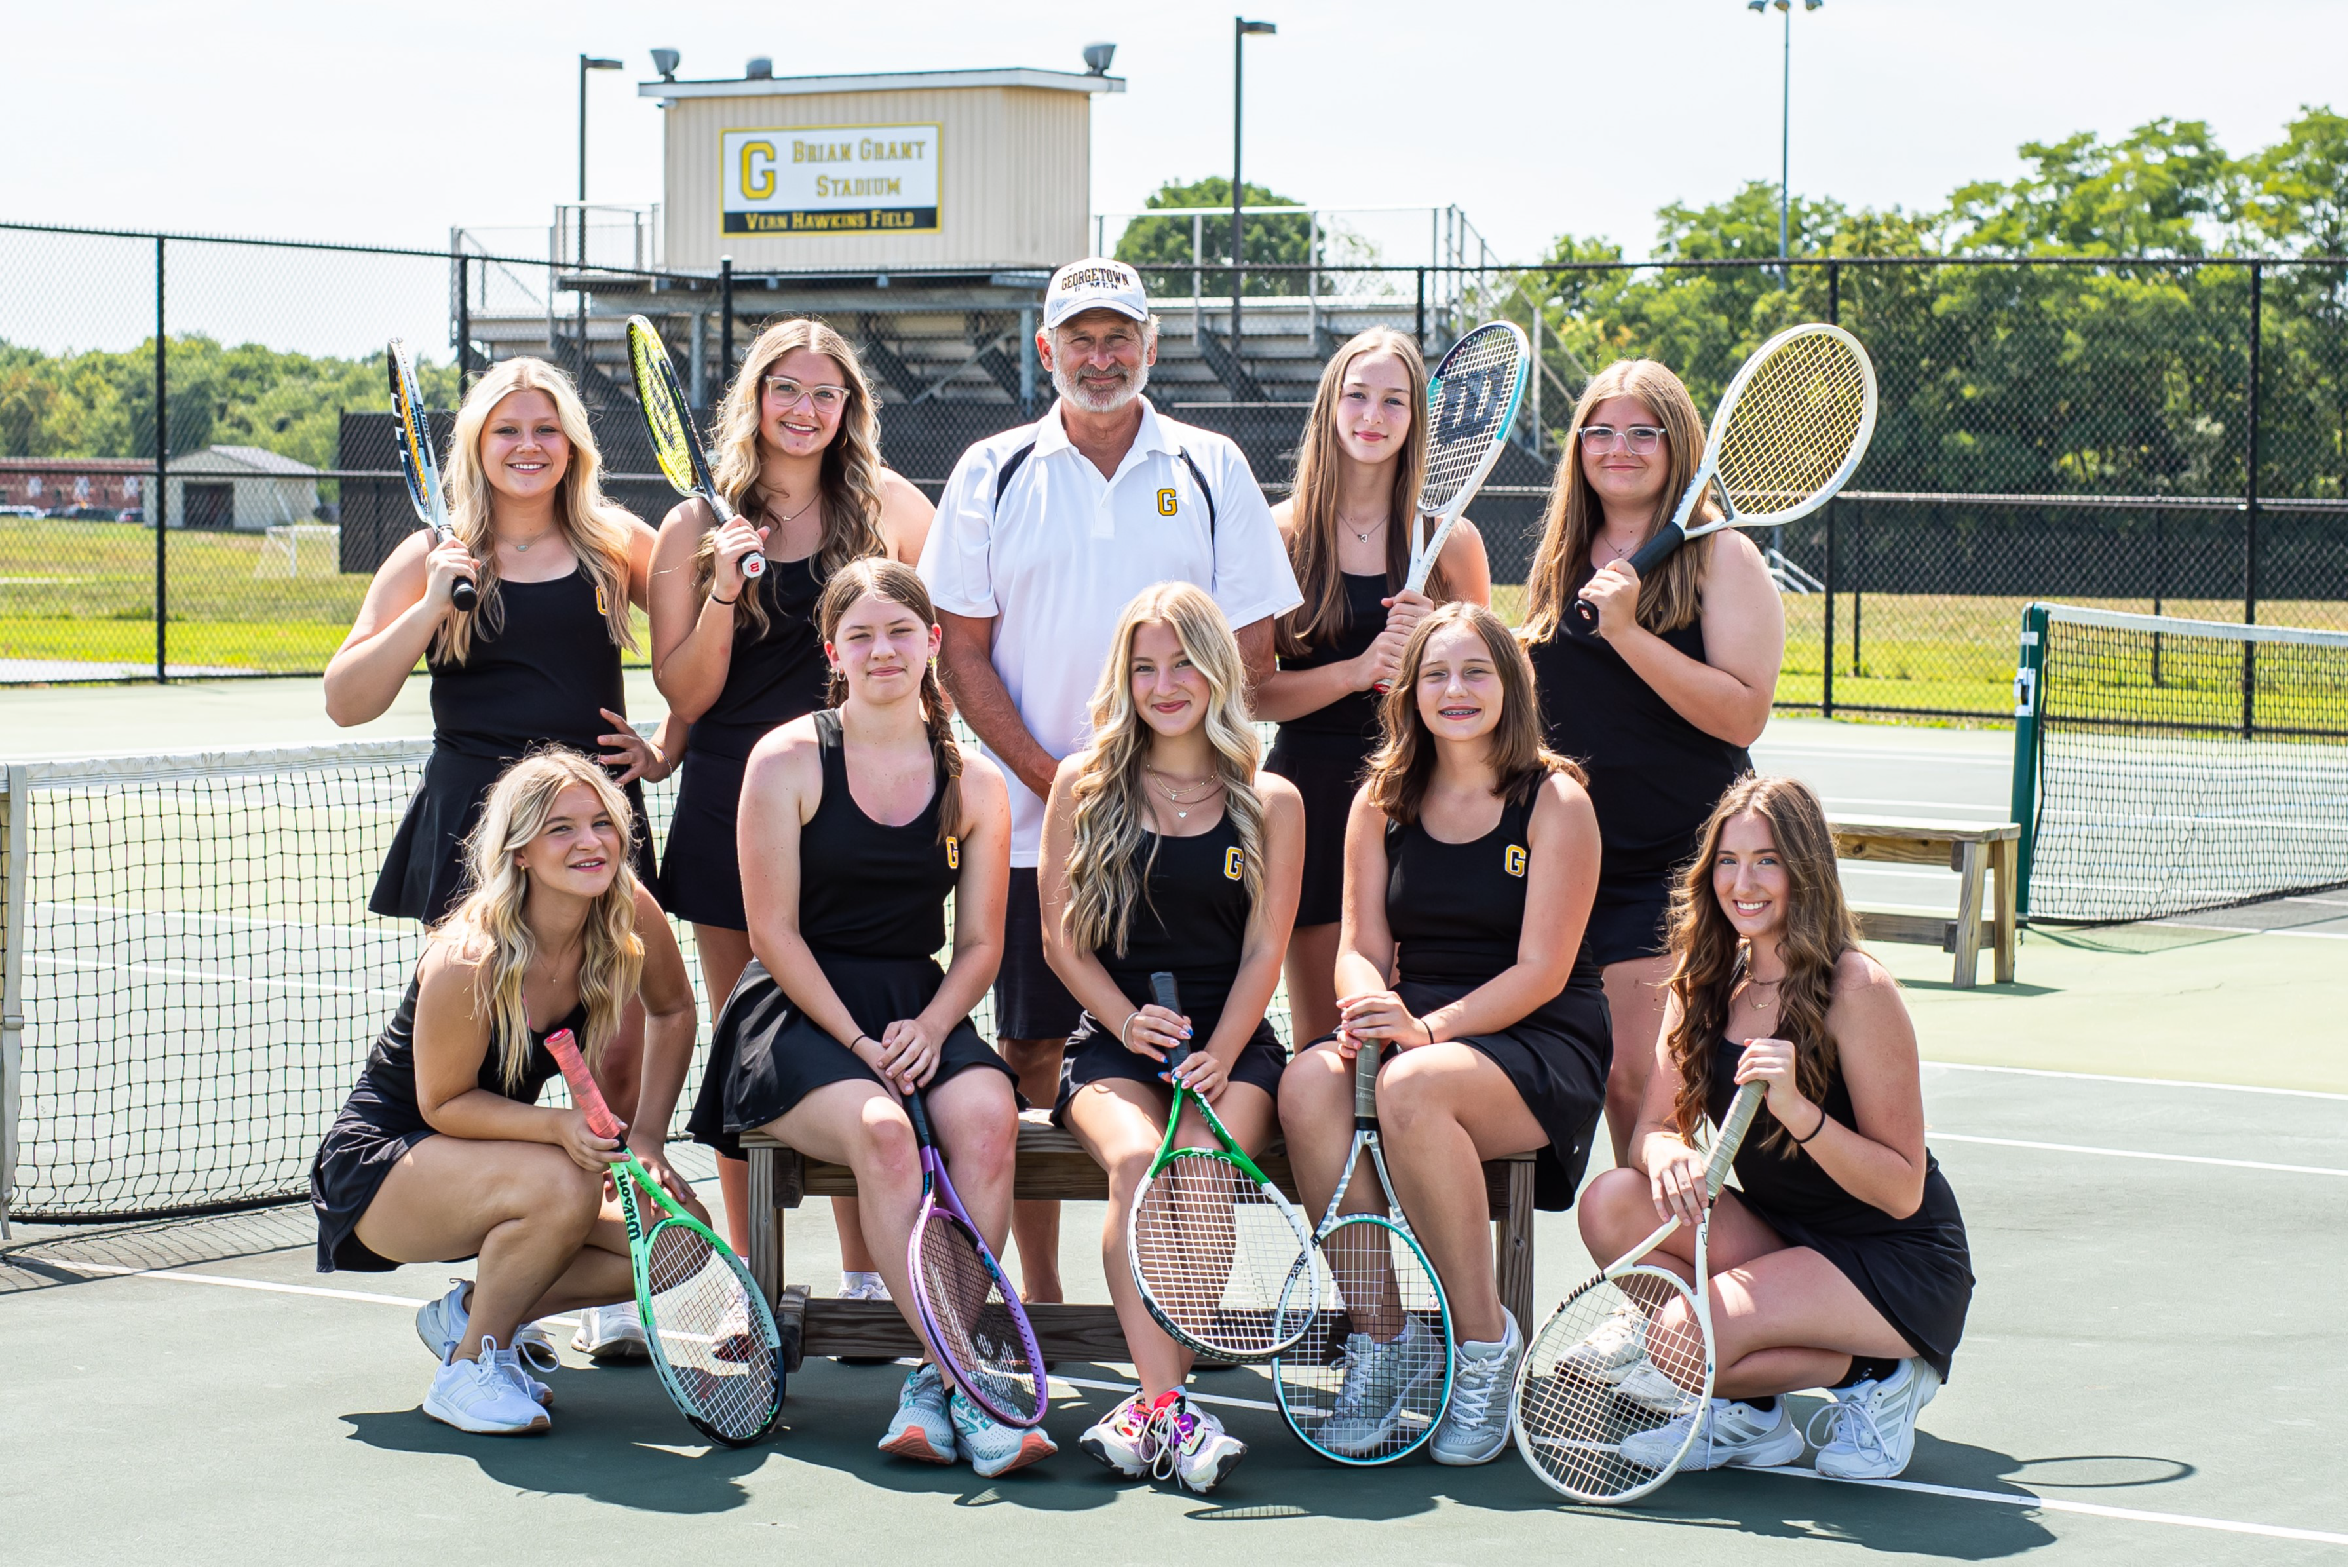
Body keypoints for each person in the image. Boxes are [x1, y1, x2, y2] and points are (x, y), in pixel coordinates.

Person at [920, 258, 1301, 1304]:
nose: (1101, 356)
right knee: (1037, 1055)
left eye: (1118, 336)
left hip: (1189, 831)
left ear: (1150, 346)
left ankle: (1179, 1311)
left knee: (1198, 1073)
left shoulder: (1214, 465)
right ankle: (1039, 1297)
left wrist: (1142, 791)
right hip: (1043, 834)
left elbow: (1252, 647)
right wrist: (1072, 787)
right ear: (1046, 351)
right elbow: (960, 656)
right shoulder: (992, 470)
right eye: (1079, 339)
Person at [324, 356, 676, 1359]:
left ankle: (553, 1280)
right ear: (477, 444)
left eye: (547, 428)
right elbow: (347, 696)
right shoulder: (435, 553)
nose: (529, 446)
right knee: (488, 1040)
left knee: (604, 1036)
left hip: (592, 821)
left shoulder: (616, 544)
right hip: (474, 824)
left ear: (573, 443)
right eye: (507, 429)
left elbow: (704, 656)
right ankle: (506, 1236)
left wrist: (670, 741)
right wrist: (430, 604)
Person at [710, 558, 1043, 1477]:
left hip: (914, 1005)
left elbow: (977, 944)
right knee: (885, 1136)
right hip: (795, 1012)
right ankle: (973, 1383)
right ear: (834, 652)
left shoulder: (972, 782)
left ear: (933, 643)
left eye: (901, 630)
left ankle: (935, 1387)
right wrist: (857, 1044)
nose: (882, 649)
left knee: (986, 1119)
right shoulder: (785, 760)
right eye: (860, 634)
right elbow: (772, 933)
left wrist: (933, 1027)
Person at [1279, 602, 1611, 1467]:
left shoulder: (1556, 799)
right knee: (1308, 1081)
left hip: (1537, 1041)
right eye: (1436, 674)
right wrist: (1362, 1009)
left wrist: (1421, 1030)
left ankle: (1482, 1345)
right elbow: (1358, 948)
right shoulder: (1380, 800)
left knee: (1410, 1087)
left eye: (1475, 672)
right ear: (1409, 691)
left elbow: (1542, 969)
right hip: (1418, 1035)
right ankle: (1387, 1343)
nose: (1455, 691)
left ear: (1510, 685)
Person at [1574, 774, 1972, 1481]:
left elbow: (1903, 1188)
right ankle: (1753, 1417)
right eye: (1728, 860)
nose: (1743, 881)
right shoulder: (1707, 980)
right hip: (1784, 1234)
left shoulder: (1858, 989)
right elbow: (1651, 1130)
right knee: (1613, 1202)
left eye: (1767, 860)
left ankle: (1881, 1371)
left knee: (1677, 1343)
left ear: (1804, 870)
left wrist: (1799, 1110)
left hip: (1891, 1257)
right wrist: (1668, 1151)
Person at [649, 318, 932, 1308]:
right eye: (786, 390)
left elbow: (924, 647)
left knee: (856, 1027)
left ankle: (864, 1276)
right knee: (744, 1044)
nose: (805, 411)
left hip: (857, 800)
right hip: (734, 796)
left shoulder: (890, 508)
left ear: (849, 407)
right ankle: (754, 1282)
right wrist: (723, 587)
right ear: (755, 401)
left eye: (825, 393)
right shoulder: (694, 526)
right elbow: (685, 695)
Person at [308, 750, 701, 1436]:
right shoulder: (471, 954)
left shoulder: (628, 909)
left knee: (679, 1243)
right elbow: (442, 1104)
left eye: (601, 823)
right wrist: (559, 1130)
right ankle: (468, 1369)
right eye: (561, 829)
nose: (591, 843)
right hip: (386, 1168)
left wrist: (647, 1140)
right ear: (519, 851)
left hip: (498, 1158)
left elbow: (673, 1010)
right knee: (565, 1181)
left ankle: (473, 1310)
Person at [1037, 583, 1303, 1494]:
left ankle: (1155, 1411)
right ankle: (1171, 1408)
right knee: (1138, 1162)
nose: (1165, 682)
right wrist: (1124, 1018)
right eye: (1145, 666)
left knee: (1195, 1161)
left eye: (1183, 660)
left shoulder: (1271, 798)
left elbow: (1268, 947)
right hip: (1113, 1045)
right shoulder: (1084, 781)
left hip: (1232, 1044)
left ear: (1217, 669)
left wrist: (1223, 1051)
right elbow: (1060, 941)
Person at [1518, 359, 1783, 1168]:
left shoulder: (1720, 557)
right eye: (1600, 431)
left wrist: (1629, 631)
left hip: (1673, 861)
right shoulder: (1563, 555)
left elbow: (1743, 709)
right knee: (1603, 1080)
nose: (1619, 448)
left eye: (1642, 431)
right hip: (1570, 861)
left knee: (1643, 1084)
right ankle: (1651, 1271)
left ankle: (1659, 1281)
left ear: (1679, 447)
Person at [1259, 326, 1490, 1047]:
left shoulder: (1451, 541)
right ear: (1331, 405)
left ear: (1416, 419)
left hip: (1422, 792)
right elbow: (1250, 693)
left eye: (1395, 400)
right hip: (1313, 796)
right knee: (1330, 1042)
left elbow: (1487, 691)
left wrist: (1440, 644)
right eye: (1358, 395)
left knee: (1414, 1033)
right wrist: (1357, 673)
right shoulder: (1281, 535)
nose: (1373, 415)